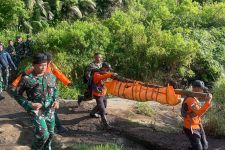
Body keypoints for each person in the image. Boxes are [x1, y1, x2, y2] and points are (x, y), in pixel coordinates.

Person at [13, 53, 59, 149]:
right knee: (43, 135)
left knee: (50, 135)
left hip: (50, 110)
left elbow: (55, 89)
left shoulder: (51, 76)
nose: (43, 67)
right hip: (37, 111)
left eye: (45, 65)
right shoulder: (26, 78)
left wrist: (56, 100)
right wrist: (29, 104)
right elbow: (16, 94)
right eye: (40, 65)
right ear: (33, 65)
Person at [181, 80, 212, 150]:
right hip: (190, 127)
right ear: (195, 88)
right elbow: (199, 112)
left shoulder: (195, 98)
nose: (202, 91)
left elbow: (197, 113)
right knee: (198, 148)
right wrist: (208, 102)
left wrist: (207, 101)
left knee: (205, 145)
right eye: (201, 89)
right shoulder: (190, 100)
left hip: (198, 125)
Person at [90, 62, 117, 129]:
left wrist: (113, 76)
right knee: (102, 109)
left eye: (109, 70)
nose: (108, 71)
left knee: (103, 105)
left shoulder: (106, 73)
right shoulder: (97, 74)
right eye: (107, 69)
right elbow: (101, 77)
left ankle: (92, 113)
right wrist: (110, 74)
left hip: (103, 92)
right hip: (98, 94)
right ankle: (105, 124)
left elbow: (107, 79)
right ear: (103, 68)